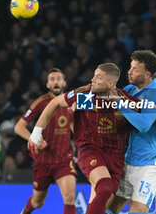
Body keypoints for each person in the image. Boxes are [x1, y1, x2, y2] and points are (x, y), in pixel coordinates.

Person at [29, 63, 141, 214]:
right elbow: (55, 102)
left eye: (98, 77)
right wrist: (36, 133)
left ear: (111, 83)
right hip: (91, 150)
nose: (92, 79)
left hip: (116, 157)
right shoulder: (86, 95)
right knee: (105, 187)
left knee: (101, 200)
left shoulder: (124, 101)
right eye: (94, 75)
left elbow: (148, 119)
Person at [107, 50, 156, 214]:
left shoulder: (155, 93)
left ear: (148, 74)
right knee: (110, 208)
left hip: (150, 163)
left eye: (136, 69)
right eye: (131, 67)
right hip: (129, 160)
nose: (129, 72)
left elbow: (143, 125)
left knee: (136, 210)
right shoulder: (130, 90)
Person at [14, 68, 77, 214]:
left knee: (70, 197)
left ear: (64, 83)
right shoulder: (41, 103)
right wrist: (34, 139)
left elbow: (73, 124)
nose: (56, 82)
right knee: (37, 202)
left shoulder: (71, 102)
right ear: (48, 85)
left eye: (58, 79)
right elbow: (19, 127)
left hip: (64, 158)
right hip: (43, 160)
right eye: (52, 80)